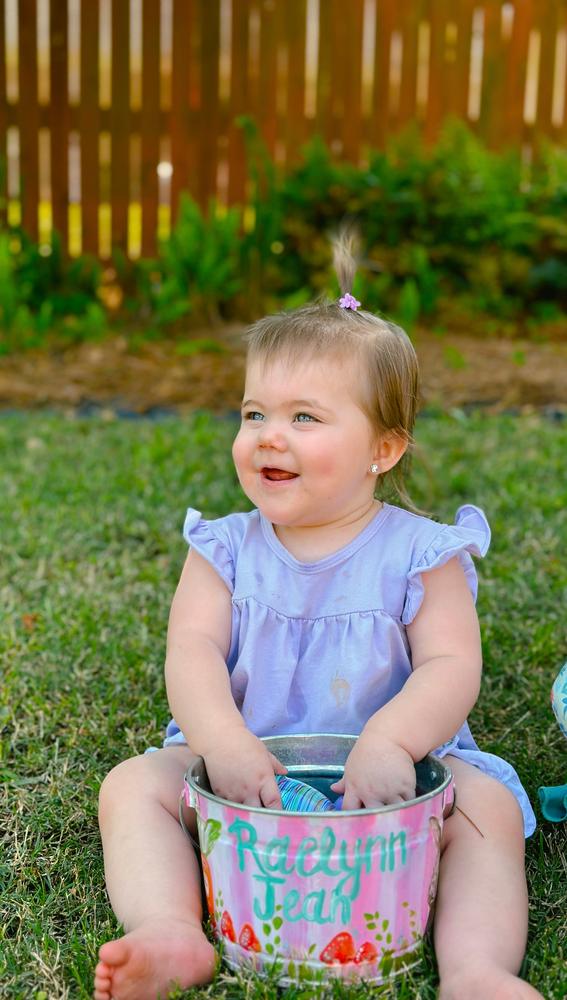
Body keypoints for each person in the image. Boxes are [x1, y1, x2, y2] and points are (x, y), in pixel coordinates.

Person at [94, 239, 540, 1000]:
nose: (269, 434)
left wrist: (393, 741)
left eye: (305, 417)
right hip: (243, 779)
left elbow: (449, 667)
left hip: (396, 783)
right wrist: (223, 743)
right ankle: (171, 929)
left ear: (383, 448)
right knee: (132, 786)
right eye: (255, 412)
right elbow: (192, 651)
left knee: (487, 812)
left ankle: (473, 969)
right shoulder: (225, 548)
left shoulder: (420, 553)